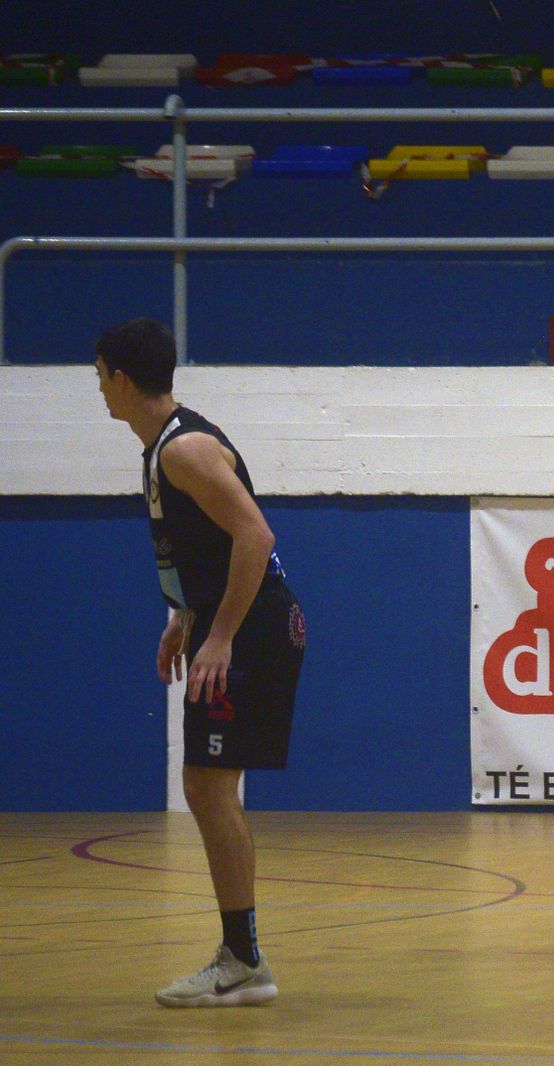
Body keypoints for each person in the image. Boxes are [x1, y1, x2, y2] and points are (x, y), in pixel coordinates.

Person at [94, 318, 306, 1006]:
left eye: (99, 374)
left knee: (208, 786)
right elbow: (208, 545)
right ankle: (239, 955)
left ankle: (242, 961)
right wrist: (185, 616)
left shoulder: (183, 449)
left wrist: (220, 636)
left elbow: (255, 534)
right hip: (234, 623)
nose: (98, 387)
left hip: (254, 629)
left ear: (121, 379)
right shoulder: (165, 447)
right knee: (205, 786)